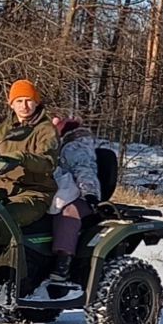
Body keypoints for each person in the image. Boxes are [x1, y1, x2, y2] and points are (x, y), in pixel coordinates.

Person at [0, 79, 58, 227]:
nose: (24, 106)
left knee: (2, 220)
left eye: (28, 100)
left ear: (37, 102)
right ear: (11, 103)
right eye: (19, 101)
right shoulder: (4, 129)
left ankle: (4, 249)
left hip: (33, 192)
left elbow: (47, 163)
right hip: (3, 189)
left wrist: (22, 158)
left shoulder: (46, 130)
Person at [46, 114, 101, 286]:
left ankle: (64, 261)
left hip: (82, 196)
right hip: (64, 191)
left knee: (69, 213)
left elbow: (85, 171)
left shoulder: (76, 148)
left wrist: (90, 193)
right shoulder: (59, 147)